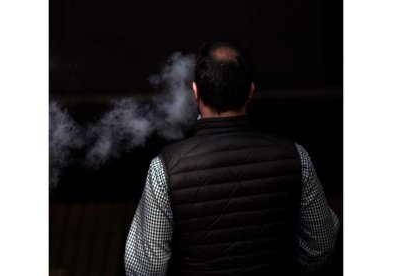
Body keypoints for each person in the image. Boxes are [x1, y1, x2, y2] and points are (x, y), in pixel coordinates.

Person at [124, 40, 339, 275]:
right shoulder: (297, 157)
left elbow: (145, 269)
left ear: (196, 92)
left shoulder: (164, 169)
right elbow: (321, 244)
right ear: (251, 91)